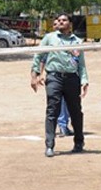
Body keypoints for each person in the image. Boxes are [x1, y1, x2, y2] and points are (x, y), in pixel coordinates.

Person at [31, 13, 88, 157]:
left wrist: (84, 80)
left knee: (75, 111)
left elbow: (81, 63)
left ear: (70, 23)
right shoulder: (50, 38)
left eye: (64, 20)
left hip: (71, 78)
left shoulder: (77, 41)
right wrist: (35, 75)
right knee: (52, 110)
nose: (61, 22)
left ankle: (79, 142)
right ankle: (49, 145)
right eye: (59, 20)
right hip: (54, 77)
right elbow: (38, 56)